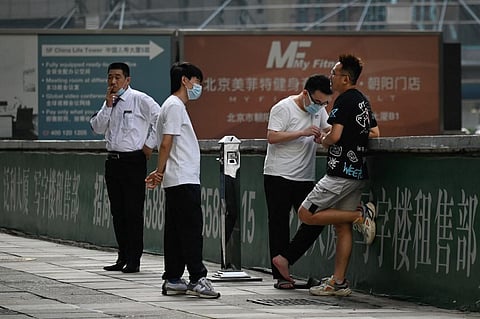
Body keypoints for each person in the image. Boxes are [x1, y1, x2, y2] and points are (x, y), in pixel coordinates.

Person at [297, 54, 380, 296]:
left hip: (339, 172)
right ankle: (339, 282)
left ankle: (360, 215)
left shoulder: (343, 101)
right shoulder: (363, 101)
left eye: (334, 73)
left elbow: (333, 137)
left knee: (306, 213)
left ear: (345, 78)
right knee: (341, 227)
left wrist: (323, 139)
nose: (331, 77)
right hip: (357, 172)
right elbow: (374, 132)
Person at [145, 62, 220, 299]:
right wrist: (158, 172)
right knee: (191, 229)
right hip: (182, 177)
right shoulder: (175, 106)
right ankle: (198, 278)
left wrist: (161, 172)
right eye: (197, 82)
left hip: (176, 178)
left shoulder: (170, 106)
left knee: (176, 231)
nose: (199, 87)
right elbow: (166, 142)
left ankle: (174, 278)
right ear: (185, 81)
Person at [90, 62, 161, 273]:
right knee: (117, 212)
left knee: (133, 212)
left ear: (127, 80)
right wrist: (108, 106)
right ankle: (122, 255)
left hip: (133, 161)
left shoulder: (139, 99)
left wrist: (150, 143)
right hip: (113, 161)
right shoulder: (109, 103)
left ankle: (134, 259)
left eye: (117, 77)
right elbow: (97, 127)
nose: (113, 81)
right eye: (110, 77)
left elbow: (160, 118)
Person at [264, 75, 333, 289]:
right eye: (317, 102)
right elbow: (272, 137)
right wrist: (301, 132)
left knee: (315, 218)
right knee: (279, 225)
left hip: (304, 176)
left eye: (324, 103)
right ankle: (281, 277)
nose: (319, 107)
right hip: (278, 175)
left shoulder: (320, 109)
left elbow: (328, 128)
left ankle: (286, 258)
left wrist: (323, 135)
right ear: (305, 94)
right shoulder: (283, 108)